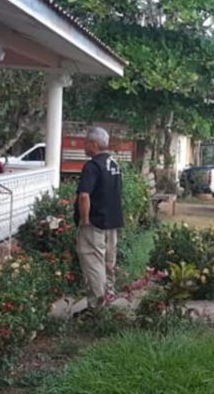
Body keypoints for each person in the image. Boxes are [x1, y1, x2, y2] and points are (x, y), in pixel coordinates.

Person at [74, 127, 123, 312]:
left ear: (93, 144)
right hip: (112, 222)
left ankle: (97, 307)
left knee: (93, 263)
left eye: (86, 142)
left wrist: (84, 220)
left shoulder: (92, 166)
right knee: (108, 263)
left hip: (94, 223)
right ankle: (108, 299)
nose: (84, 146)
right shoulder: (114, 164)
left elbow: (84, 195)